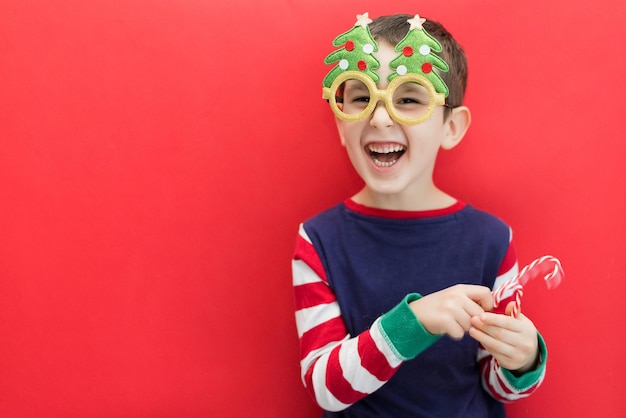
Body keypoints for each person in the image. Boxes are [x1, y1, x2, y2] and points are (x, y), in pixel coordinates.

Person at [292, 12, 548, 417]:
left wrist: (523, 360)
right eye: (361, 98)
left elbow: (495, 386)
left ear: (452, 127)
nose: (379, 117)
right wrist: (412, 323)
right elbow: (325, 387)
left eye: (408, 98)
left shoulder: (492, 240)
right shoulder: (318, 240)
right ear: (341, 122)